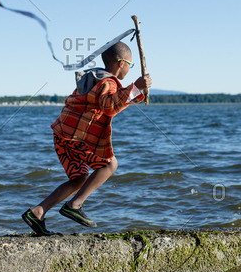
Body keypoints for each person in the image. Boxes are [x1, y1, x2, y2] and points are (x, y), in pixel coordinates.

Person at [22, 41, 151, 235]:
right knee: (110, 165)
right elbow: (109, 106)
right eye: (130, 65)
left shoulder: (94, 78)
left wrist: (136, 91)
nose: (129, 69)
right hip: (76, 137)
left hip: (62, 135)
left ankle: (37, 212)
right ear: (120, 63)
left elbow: (112, 102)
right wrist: (136, 87)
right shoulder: (108, 82)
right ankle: (74, 205)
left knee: (79, 178)